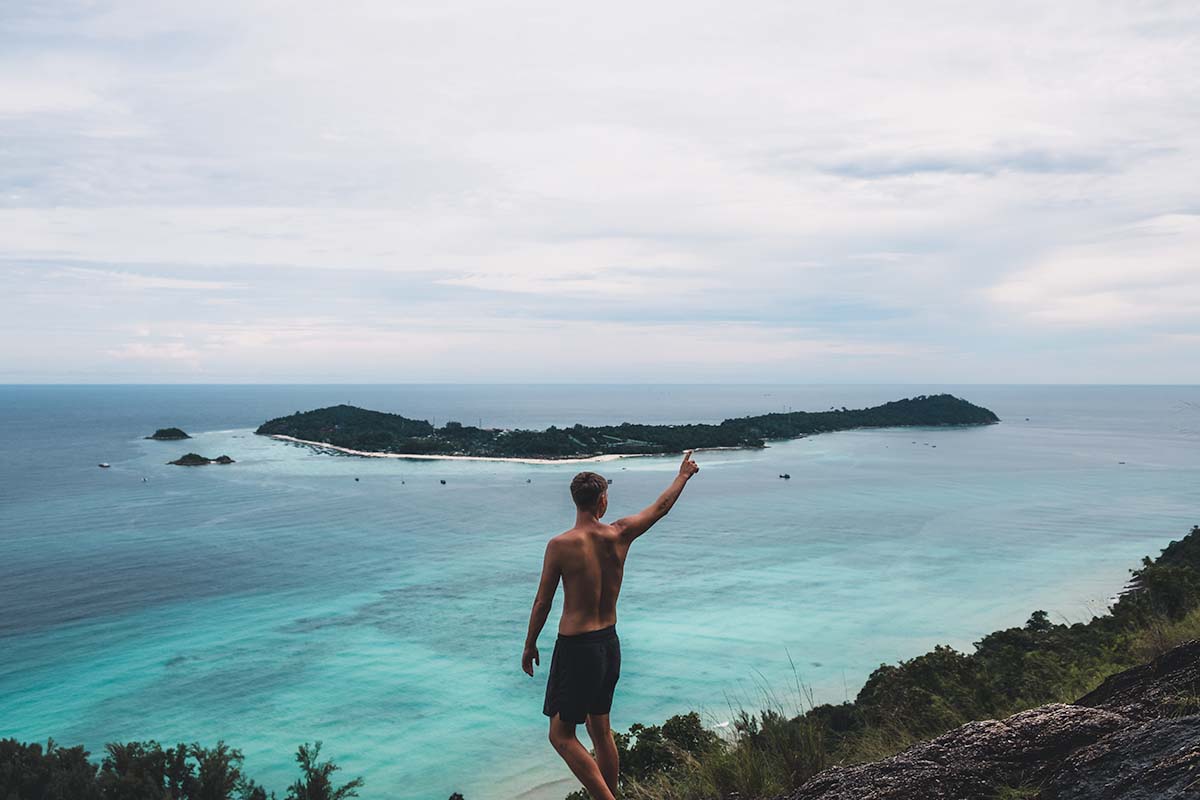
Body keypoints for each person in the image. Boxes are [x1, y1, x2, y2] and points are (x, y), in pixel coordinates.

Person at [522, 451, 700, 800]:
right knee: (599, 729)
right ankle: (611, 794)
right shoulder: (620, 534)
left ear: (576, 501)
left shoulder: (559, 545)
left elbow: (542, 601)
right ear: (602, 500)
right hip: (608, 644)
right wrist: (683, 475)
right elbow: (660, 508)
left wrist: (529, 645)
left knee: (560, 735)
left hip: (576, 648)